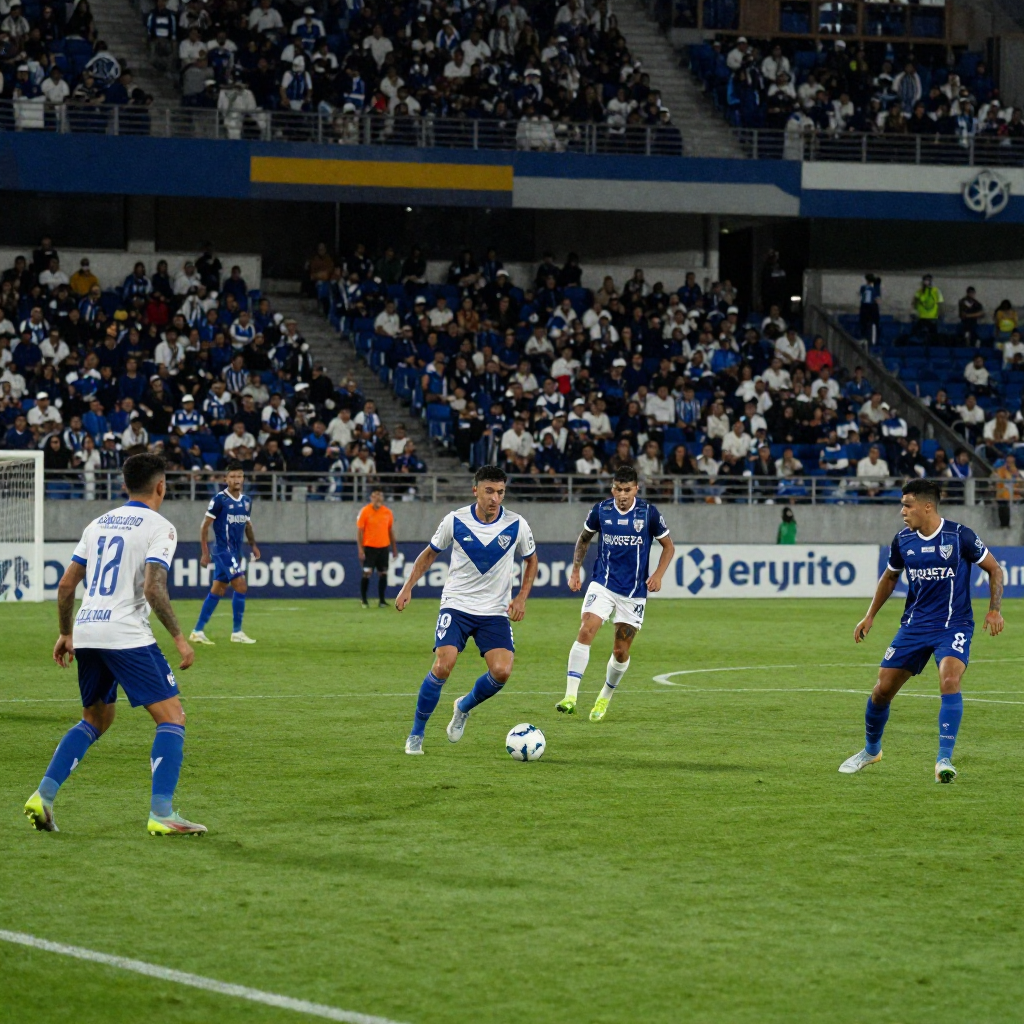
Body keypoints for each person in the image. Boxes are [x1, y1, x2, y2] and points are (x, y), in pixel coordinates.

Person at [23, 453, 205, 836]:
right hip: (126, 635)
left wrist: (66, 632)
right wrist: (178, 638)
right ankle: (162, 813)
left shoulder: (98, 523)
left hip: (88, 630)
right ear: (161, 486)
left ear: (125, 485)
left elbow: (66, 585)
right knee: (172, 718)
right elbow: (153, 588)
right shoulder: (161, 527)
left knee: (96, 719)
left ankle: (43, 796)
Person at [839, 479, 1004, 783]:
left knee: (950, 679)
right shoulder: (903, 540)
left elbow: (995, 569)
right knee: (882, 689)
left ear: (927, 506)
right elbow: (890, 577)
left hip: (953, 624)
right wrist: (870, 615)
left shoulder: (960, 536)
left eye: (907, 504)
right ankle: (871, 750)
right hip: (915, 626)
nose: (902, 511)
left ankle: (944, 759)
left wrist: (994, 609)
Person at [396, 466, 538, 755]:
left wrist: (522, 597)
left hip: (495, 611)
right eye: (489, 491)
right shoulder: (455, 520)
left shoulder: (517, 524)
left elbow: (531, 560)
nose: (495, 498)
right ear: (476, 490)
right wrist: (408, 585)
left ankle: (463, 706)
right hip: (457, 605)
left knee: (502, 672)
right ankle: (416, 735)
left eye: (500, 492)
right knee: (443, 664)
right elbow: (429, 554)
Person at [558, 466, 675, 722]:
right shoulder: (601, 510)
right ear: (612, 488)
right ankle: (570, 697)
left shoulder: (648, 513)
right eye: (618, 489)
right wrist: (575, 571)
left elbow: (668, 547)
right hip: (603, 584)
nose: (622, 494)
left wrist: (657, 575)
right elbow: (584, 538)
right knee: (586, 629)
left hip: (633, 593)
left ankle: (604, 697)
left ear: (636, 489)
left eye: (627, 489)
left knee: (620, 651)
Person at [189, 460, 261, 646]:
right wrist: (204, 553)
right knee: (241, 586)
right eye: (233, 476)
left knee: (218, 590)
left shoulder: (246, 501)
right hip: (222, 551)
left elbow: (247, 525)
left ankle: (197, 631)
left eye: (240, 476)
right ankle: (237, 632)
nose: (237, 479)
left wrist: (253, 545)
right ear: (226, 479)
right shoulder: (219, 500)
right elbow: (204, 527)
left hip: (235, 552)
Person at [356, 486, 397, 609]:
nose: (378, 497)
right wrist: (360, 549)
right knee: (367, 573)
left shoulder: (387, 512)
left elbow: (390, 531)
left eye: (380, 495)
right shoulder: (365, 511)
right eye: (375, 495)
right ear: (371, 497)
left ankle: (382, 601)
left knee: (383, 573)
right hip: (369, 547)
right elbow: (359, 531)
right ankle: (364, 600)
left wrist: (394, 548)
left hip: (383, 547)